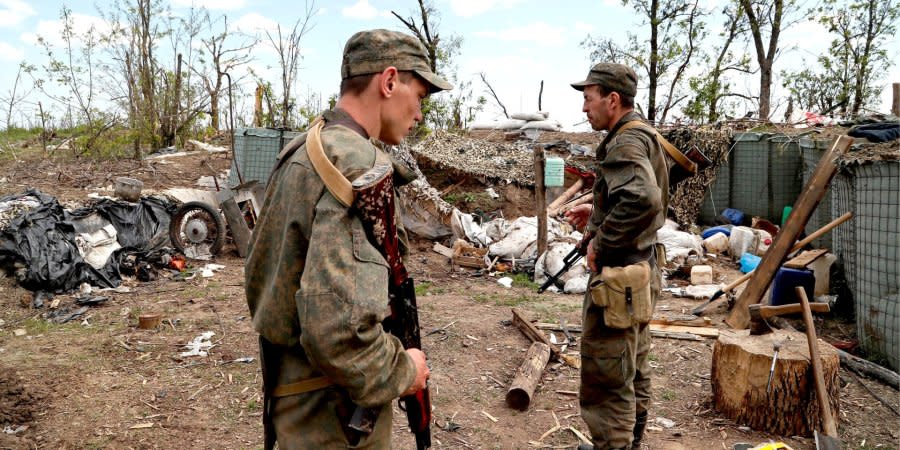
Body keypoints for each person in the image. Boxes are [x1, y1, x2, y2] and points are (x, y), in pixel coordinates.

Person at [244, 29, 452, 449]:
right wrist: (403, 371)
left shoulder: (304, 149)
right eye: (421, 95)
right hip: (334, 415)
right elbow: (339, 331)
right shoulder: (358, 165)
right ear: (389, 82)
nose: (420, 113)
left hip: (294, 400)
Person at [565, 63, 669, 450]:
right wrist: (597, 215)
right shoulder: (641, 134)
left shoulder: (625, 142)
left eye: (588, 99)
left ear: (612, 99)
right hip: (639, 271)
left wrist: (601, 242)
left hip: (620, 277)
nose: (583, 108)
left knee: (607, 375)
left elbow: (643, 198)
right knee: (632, 366)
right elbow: (642, 198)